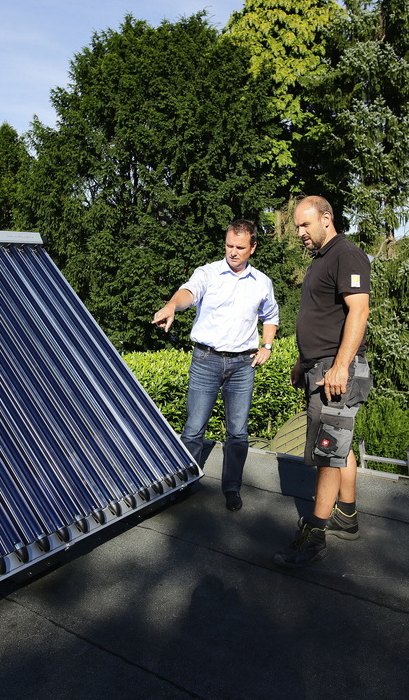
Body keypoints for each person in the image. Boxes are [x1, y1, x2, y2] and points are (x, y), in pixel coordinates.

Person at [153, 219, 279, 511]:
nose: (233, 252)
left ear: (253, 248)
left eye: (240, 247)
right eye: (229, 245)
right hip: (206, 360)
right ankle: (184, 483)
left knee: (238, 432)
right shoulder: (207, 273)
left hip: (242, 365)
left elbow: (271, 316)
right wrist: (172, 305)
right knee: (194, 428)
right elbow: (189, 292)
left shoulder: (262, 282)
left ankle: (232, 488)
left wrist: (267, 346)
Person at [273, 196, 371, 568]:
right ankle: (346, 514)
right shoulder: (322, 260)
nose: (299, 233)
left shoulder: (347, 254)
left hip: (336, 370)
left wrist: (341, 365)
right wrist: (304, 361)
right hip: (320, 366)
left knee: (329, 448)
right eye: (297, 226)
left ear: (326, 219)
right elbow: (322, 317)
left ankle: (314, 534)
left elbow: (358, 310)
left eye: (305, 225)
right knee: (339, 443)